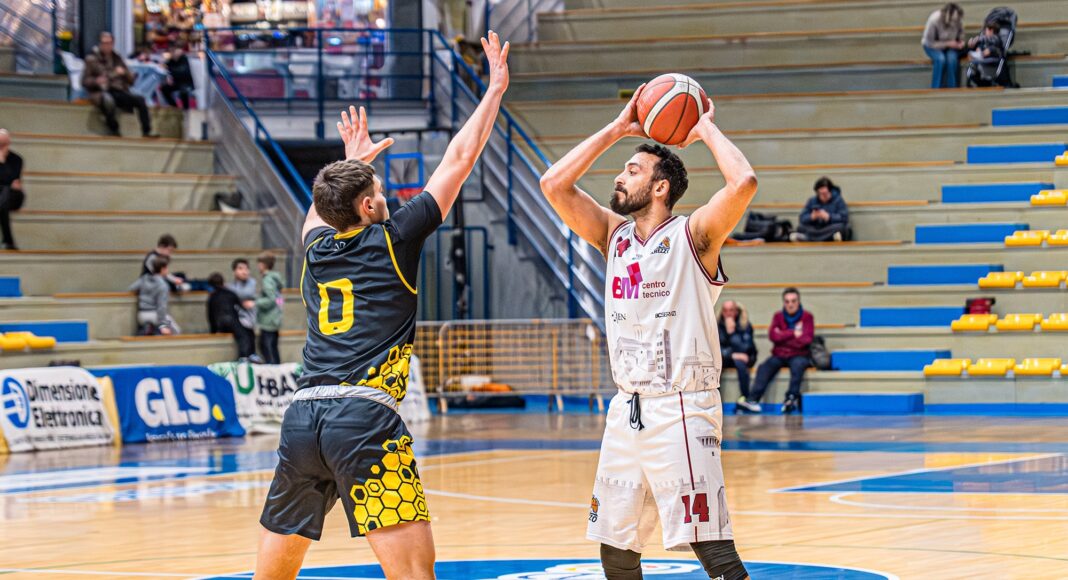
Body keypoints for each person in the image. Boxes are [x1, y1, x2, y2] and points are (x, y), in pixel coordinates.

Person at [254, 31, 510, 579]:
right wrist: (493, 91)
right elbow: (460, 158)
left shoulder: (315, 248)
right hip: (364, 418)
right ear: (370, 206)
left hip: (302, 419)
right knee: (414, 575)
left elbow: (322, 208)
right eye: (380, 189)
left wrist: (350, 165)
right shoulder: (393, 238)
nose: (388, 195)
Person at [539, 82, 757, 579]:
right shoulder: (613, 236)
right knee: (616, 546)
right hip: (627, 408)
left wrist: (704, 128)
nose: (619, 176)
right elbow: (553, 184)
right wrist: (618, 129)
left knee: (712, 548)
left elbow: (743, 181)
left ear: (661, 188)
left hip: (682, 406)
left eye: (632, 170)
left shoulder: (694, 235)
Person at [744, 288, 814, 415]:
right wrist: (793, 333)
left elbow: (806, 340)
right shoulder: (778, 316)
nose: (790, 304)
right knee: (764, 367)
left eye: (793, 301)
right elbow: (773, 336)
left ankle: (791, 399)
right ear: (784, 303)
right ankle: (752, 400)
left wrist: (782, 335)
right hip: (780, 354)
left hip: (799, 354)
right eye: (787, 301)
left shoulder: (807, 317)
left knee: (798, 366)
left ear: (798, 302)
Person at [82, 31, 154, 137]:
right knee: (108, 101)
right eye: (104, 43)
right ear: (100, 44)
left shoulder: (117, 58)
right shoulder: (92, 60)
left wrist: (125, 73)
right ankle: (113, 128)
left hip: (119, 90)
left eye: (109, 43)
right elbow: (85, 81)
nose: (107, 46)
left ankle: (146, 131)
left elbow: (131, 81)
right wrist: (96, 81)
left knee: (140, 100)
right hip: (102, 91)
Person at [719, 300, 758, 414]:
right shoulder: (716, 325)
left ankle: (745, 398)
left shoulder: (745, 324)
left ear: (736, 311)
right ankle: (715, 399)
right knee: (716, 363)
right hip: (726, 357)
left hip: (744, 358)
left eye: (731, 310)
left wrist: (732, 333)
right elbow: (716, 348)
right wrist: (732, 354)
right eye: (725, 310)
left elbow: (747, 348)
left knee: (741, 364)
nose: (728, 313)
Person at [207, 272, 256, 359]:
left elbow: (210, 316)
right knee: (244, 336)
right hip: (232, 320)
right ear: (223, 282)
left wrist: (213, 331)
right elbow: (240, 307)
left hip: (220, 323)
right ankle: (245, 357)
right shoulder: (230, 294)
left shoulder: (212, 297)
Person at [129, 256, 179, 335]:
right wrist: (163, 326)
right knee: (176, 331)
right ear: (163, 269)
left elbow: (131, 288)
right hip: (155, 315)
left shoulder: (144, 278)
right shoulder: (163, 286)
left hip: (141, 315)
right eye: (167, 268)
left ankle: (151, 329)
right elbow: (162, 307)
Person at [791, 176, 850, 242]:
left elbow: (844, 218)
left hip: (830, 227)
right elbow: (802, 218)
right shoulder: (812, 201)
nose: (823, 196)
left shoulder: (838, 200)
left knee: (841, 228)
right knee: (801, 227)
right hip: (816, 228)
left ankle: (809, 238)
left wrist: (829, 217)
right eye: (820, 194)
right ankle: (828, 238)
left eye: (825, 194)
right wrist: (812, 217)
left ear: (830, 191)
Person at [922, 3, 965, 89]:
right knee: (940, 59)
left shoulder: (958, 19)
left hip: (951, 46)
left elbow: (961, 34)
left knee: (952, 59)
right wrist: (948, 43)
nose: (955, 24)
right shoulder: (934, 20)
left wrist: (960, 42)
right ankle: (935, 88)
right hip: (932, 46)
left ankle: (952, 88)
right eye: (953, 21)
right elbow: (929, 42)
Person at [255, 252, 284, 365]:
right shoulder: (276, 279)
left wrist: (255, 303)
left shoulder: (267, 279)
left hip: (268, 319)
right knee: (273, 348)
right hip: (275, 317)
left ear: (262, 265)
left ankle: (272, 372)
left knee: (266, 348)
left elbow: (271, 299)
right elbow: (278, 299)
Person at [0, 129, 24, 251]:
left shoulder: (16, 159)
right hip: (3, 197)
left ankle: (8, 240)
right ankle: (8, 241)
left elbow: (11, 178)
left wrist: (2, 160)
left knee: (4, 192)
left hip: (14, 196)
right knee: (2, 200)